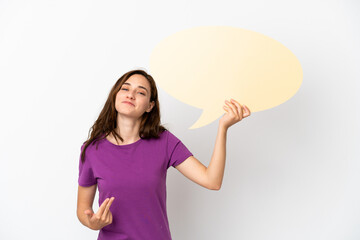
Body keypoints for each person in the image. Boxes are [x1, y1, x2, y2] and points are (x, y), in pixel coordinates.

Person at [76, 69, 251, 240]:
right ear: (115, 96)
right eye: (125, 88)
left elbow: (212, 181)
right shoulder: (92, 149)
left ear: (150, 106)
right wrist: (93, 223)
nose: (130, 95)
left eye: (141, 92)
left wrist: (223, 128)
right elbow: (83, 208)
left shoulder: (164, 141)